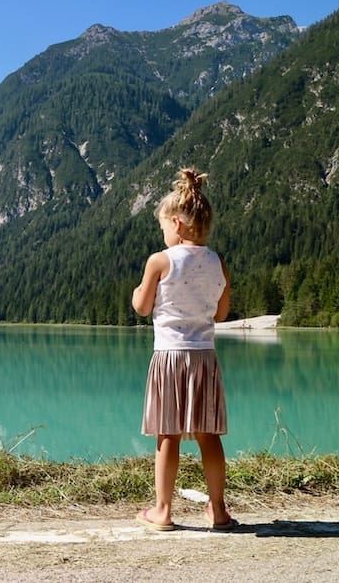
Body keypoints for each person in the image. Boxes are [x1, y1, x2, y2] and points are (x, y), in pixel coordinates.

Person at [131, 166, 234, 532]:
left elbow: (142, 307)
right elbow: (221, 312)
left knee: (167, 434)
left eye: (163, 227)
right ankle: (218, 510)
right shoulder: (217, 261)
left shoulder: (160, 260)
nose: (163, 234)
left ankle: (162, 511)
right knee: (209, 435)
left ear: (176, 222)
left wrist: (136, 294)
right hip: (205, 355)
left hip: (171, 356)